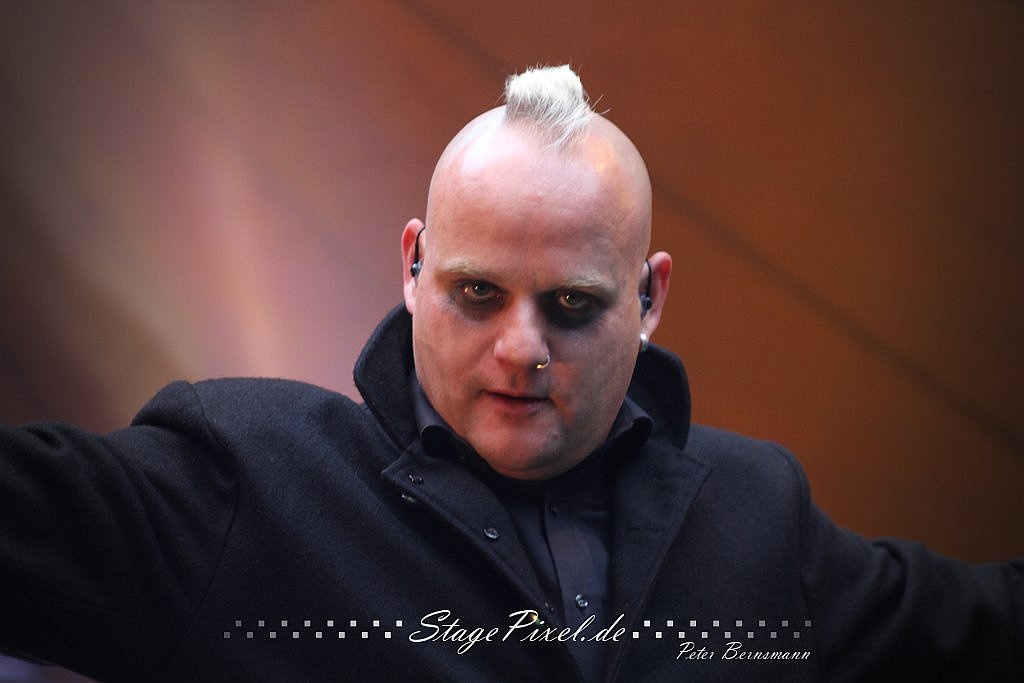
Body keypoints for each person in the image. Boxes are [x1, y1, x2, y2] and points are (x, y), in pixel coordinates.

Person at [0, 64, 1020, 683]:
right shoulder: (244, 478)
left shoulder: (759, 517)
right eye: (478, 291)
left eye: (571, 304)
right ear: (413, 265)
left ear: (650, 295)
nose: (522, 347)